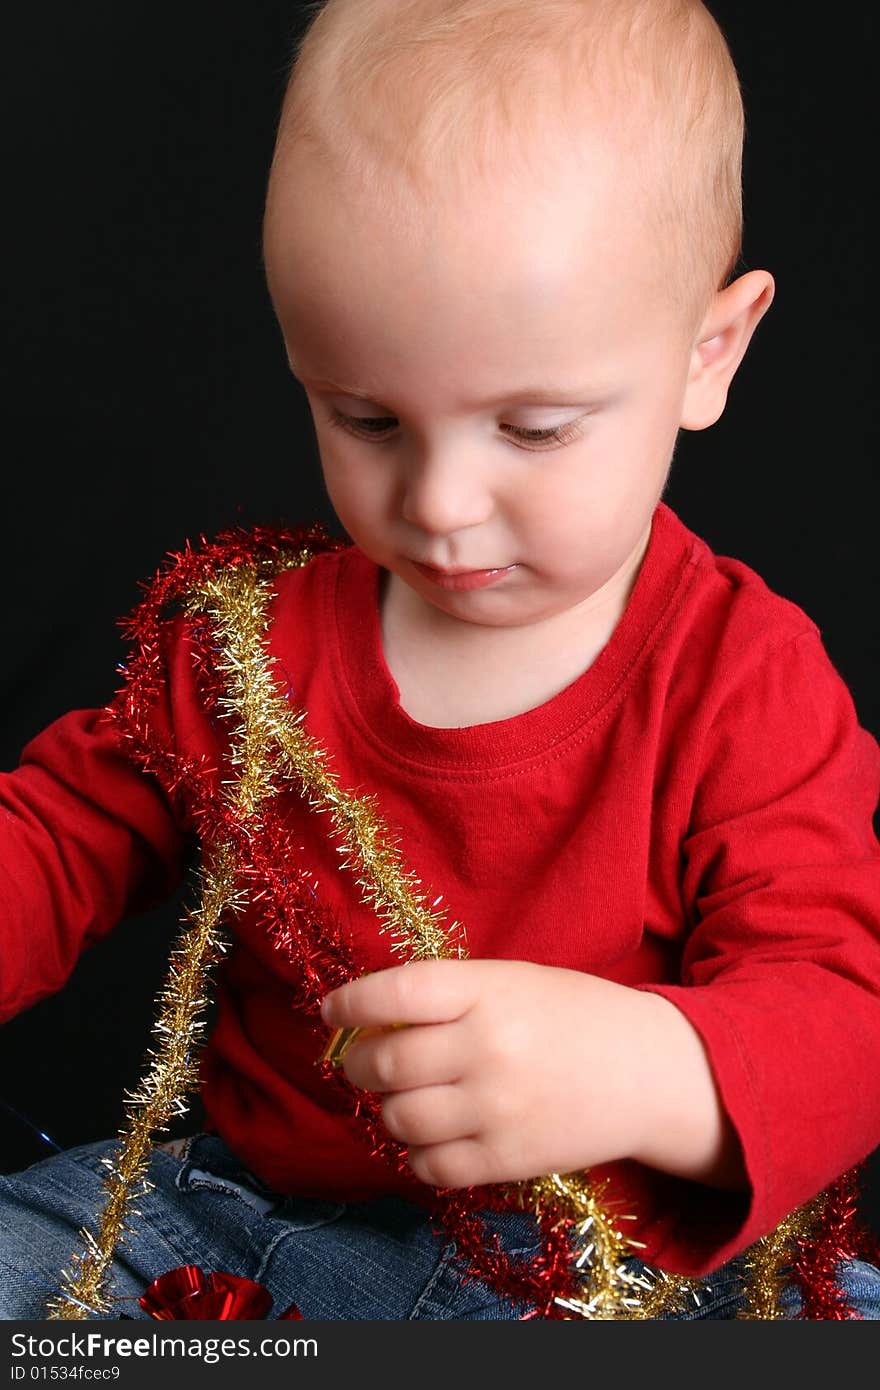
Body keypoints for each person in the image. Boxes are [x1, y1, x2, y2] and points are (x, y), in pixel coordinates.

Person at [1, 0, 879, 1321]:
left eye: (531, 428)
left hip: (609, 1278)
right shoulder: (249, 644)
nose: (441, 502)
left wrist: (647, 1065)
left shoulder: (740, 678)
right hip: (247, 1229)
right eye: (367, 417)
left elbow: (846, 1018)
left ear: (710, 352)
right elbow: (61, 833)